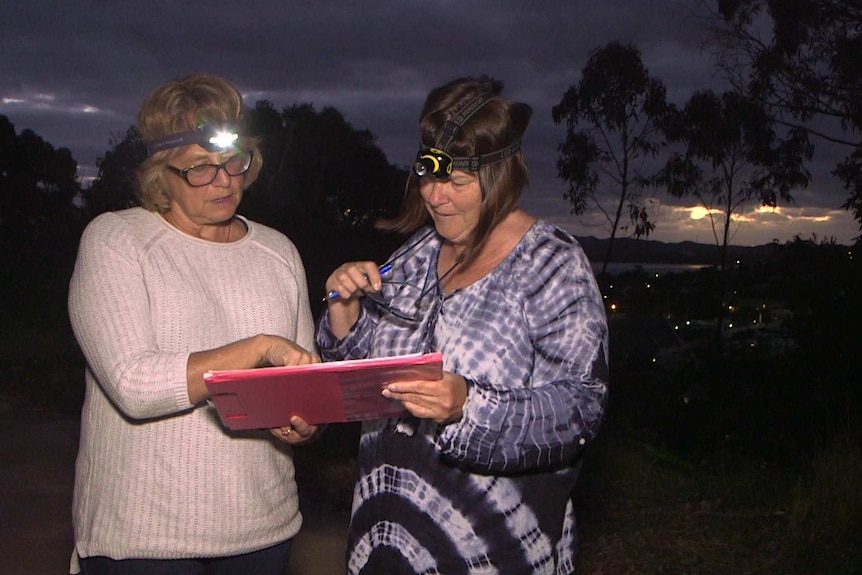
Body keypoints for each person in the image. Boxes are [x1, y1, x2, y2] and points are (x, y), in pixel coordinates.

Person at [317, 76, 610, 574]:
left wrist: (467, 407)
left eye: (456, 181)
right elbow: (359, 377)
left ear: (500, 173)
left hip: (495, 553)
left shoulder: (551, 264)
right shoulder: (413, 255)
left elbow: (580, 407)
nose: (436, 196)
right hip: (387, 543)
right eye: (428, 176)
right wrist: (343, 311)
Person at [67, 73, 320, 575]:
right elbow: (133, 385)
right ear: (161, 174)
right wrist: (256, 348)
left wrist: (302, 424)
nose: (224, 180)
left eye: (234, 162)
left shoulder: (278, 252)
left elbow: (300, 385)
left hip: (261, 529)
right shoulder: (117, 241)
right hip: (143, 539)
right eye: (200, 169)